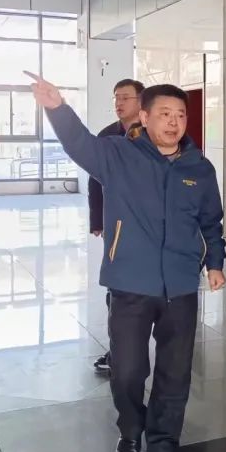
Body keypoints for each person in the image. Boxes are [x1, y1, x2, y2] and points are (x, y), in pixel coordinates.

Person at [29, 72, 226, 452]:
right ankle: (131, 431)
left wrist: (215, 263)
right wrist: (57, 108)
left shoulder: (199, 167)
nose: (174, 122)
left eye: (180, 115)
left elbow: (211, 221)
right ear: (145, 117)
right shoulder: (118, 154)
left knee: (175, 373)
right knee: (128, 370)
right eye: (164, 114)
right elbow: (79, 144)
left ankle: (164, 446)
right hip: (130, 284)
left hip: (180, 287)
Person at [90, 79, 145, 376]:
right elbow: (94, 180)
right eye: (116, 98)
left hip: (149, 225)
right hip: (117, 225)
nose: (119, 103)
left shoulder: (153, 134)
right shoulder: (107, 136)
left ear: (141, 101)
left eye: (125, 97)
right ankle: (118, 351)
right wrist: (97, 219)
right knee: (117, 289)